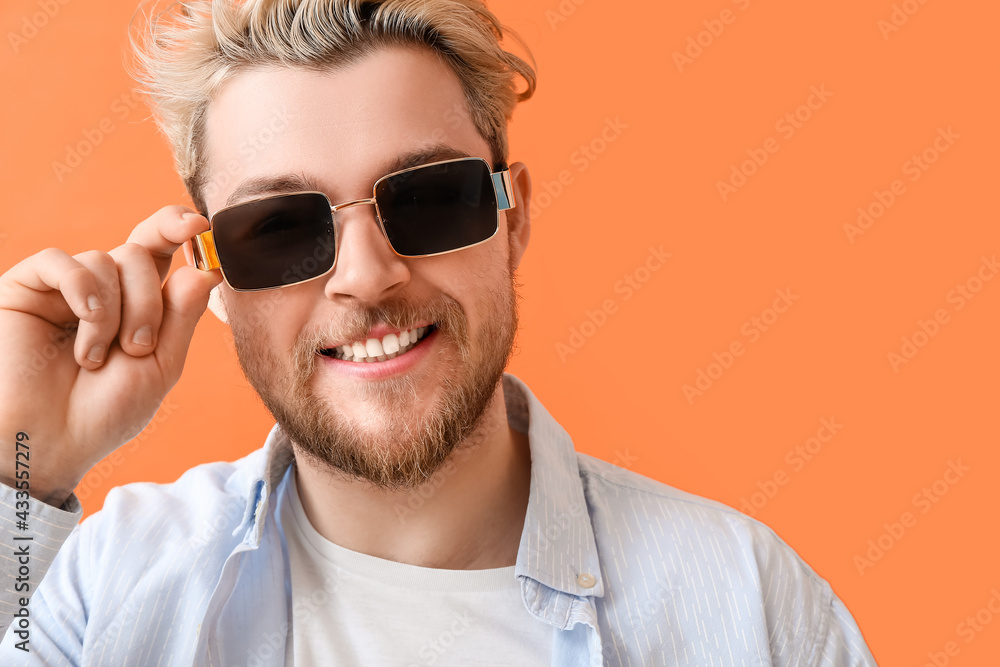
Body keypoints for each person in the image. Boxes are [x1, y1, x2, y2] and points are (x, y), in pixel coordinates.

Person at [0, 0, 877, 664]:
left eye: (428, 200)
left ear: (514, 217)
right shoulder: (110, 584)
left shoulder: (746, 607)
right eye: (280, 229)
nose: (366, 273)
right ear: (215, 276)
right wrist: (17, 463)